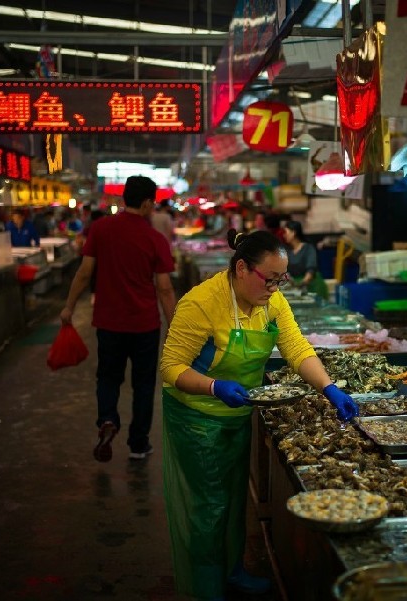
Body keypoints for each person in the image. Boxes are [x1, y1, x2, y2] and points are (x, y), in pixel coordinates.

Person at [159, 228, 359, 601]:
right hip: (196, 419)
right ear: (241, 269)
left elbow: (297, 348)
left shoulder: (273, 302)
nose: (275, 288)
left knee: (234, 501)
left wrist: (329, 387)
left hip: (237, 413)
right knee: (209, 506)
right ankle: (206, 586)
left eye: (281, 279)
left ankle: (233, 571)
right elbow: (170, 367)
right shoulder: (201, 303)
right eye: (270, 279)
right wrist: (214, 387)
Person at [60, 176, 177, 462]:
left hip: (109, 322)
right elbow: (163, 288)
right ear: (148, 203)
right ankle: (138, 444)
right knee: (144, 384)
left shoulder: (101, 229)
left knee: (108, 377)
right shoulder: (155, 239)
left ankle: (107, 420)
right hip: (145, 325)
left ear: (124, 198)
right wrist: (174, 325)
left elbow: (85, 272)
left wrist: (69, 307)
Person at [282, 220, 328, 300]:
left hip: (313, 287)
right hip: (297, 287)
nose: (284, 235)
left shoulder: (308, 248)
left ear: (293, 233)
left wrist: (302, 283)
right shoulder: (288, 251)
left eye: (286, 232)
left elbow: (311, 270)